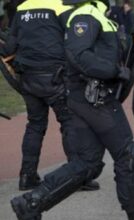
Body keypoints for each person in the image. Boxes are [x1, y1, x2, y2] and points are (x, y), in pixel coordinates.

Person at [10, 0, 134, 219]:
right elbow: (78, 54)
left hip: (88, 98)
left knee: (87, 163)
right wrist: (112, 70)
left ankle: (30, 204)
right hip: (95, 99)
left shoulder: (99, 14)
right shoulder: (85, 15)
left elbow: (112, 54)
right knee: (128, 155)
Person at [0, 0, 99, 191]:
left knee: (35, 124)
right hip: (56, 77)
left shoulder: (22, 9)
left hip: (28, 78)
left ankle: (27, 176)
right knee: (69, 121)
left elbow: (9, 49)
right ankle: (76, 177)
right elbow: (75, 41)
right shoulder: (60, 6)